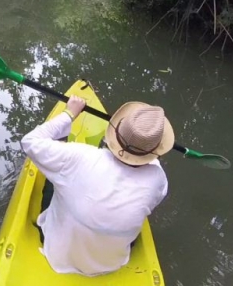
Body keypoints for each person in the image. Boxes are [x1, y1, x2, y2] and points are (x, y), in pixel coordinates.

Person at [20, 94, 173, 277]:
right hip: (112, 264)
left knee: (53, 179)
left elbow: (30, 141)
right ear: (155, 151)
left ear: (116, 132)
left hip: (58, 255)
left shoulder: (80, 156)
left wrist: (70, 113)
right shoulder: (158, 179)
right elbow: (153, 177)